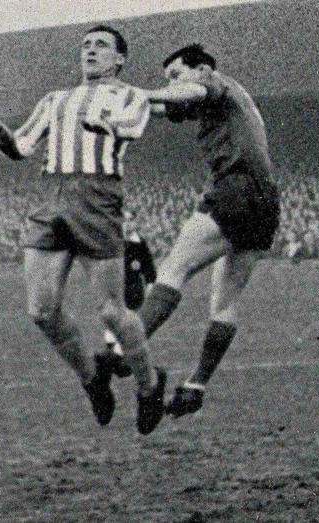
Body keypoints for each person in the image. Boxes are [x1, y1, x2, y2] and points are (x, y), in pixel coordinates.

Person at [0, 25, 166, 434]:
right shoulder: (55, 100)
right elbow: (23, 146)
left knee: (112, 311)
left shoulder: (130, 95)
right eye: (86, 45)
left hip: (97, 196)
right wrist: (3, 138)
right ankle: (93, 379)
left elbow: (132, 125)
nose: (90, 51)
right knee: (41, 310)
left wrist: (105, 124)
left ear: (119, 59)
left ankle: (150, 386)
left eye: (101, 45)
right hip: (52, 194)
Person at [106, 44, 280, 417]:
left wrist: (137, 92)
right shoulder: (228, 101)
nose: (171, 83)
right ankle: (196, 386)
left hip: (236, 188)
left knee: (174, 269)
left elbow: (188, 91)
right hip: (266, 200)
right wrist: (121, 111)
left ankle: (123, 352)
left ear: (201, 69)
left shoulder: (214, 83)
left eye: (175, 74)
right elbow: (161, 108)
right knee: (225, 301)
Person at [101, 210, 156, 372]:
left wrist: (150, 285)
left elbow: (149, 269)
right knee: (114, 321)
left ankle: (118, 356)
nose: (127, 224)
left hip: (133, 290)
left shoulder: (139, 243)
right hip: (115, 288)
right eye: (124, 221)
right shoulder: (114, 242)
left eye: (130, 221)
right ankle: (114, 354)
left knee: (128, 321)